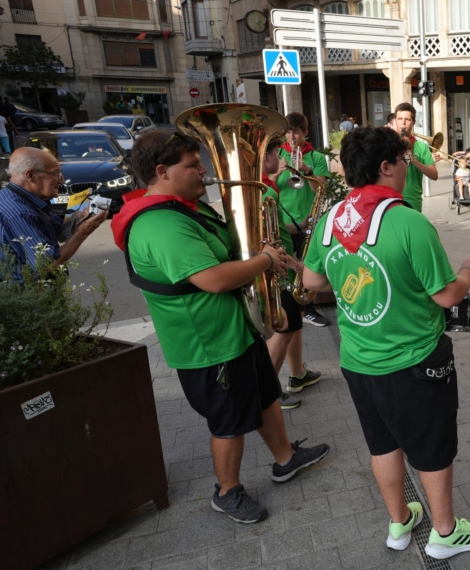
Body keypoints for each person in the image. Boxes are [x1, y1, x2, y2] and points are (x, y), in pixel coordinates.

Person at [111, 130, 330, 524]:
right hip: (208, 343)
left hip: (233, 329)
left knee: (265, 394)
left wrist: (265, 290)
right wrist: (265, 260)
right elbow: (212, 279)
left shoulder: (185, 207)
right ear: (162, 171)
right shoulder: (160, 223)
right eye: (192, 165)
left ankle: (285, 459)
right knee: (228, 420)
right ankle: (227, 491)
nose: (203, 171)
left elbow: (231, 247)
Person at [301, 126, 470, 561]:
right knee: (432, 446)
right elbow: (446, 296)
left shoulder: (332, 218)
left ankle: (400, 522)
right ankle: (445, 532)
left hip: (357, 359)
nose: (408, 169)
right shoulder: (408, 221)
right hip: (415, 361)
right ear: (386, 166)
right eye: (404, 161)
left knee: (383, 443)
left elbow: (312, 280)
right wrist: (469, 270)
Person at [260, 139, 323, 410]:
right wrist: (296, 263)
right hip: (281, 270)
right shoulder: (266, 193)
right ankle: (268, 393)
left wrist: (298, 228)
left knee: (293, 322)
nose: (279, 157)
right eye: (275, 153)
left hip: (283, 266)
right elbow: (267, 238)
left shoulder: (264, 189)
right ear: (267, 159)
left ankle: (298, 374)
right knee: (284, 329)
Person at [0, 148, 108, 276]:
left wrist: (81, 217)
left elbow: (57, 231)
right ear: (30, 175)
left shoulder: (21, 197)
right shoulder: (20, 213)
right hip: (30, 293)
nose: (62, 180)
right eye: (56, 173)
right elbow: (46, 266)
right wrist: (83, 232)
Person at [275, 112, 331, 328]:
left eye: (296, 132)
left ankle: (308, 308)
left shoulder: (316, 157)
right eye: (288, 132)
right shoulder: (279, 154)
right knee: (285, 264)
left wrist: (307, 171)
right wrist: (276, 173)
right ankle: (287, 307)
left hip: (307, 221)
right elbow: (268, 185)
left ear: (305, 133)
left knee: (308, 265)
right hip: (284, 221)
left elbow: (321, 189)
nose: (291, 137)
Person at [393, 102, 439, 213]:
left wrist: (414, 160)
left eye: (407, 120)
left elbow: (434, 175)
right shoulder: (386, 144)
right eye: (400, 119)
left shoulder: (422, 147)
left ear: (413, 122)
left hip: (413, 201)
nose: (403, 123)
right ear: (395, 121)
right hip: (391, 199)